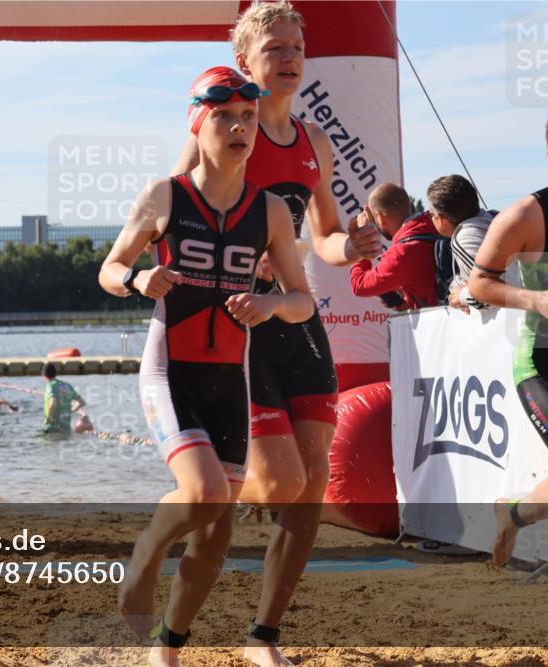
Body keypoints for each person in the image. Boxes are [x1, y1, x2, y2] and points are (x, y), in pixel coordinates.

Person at [168, 5, 382, 665]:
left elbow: (322, 235)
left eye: (297, 46)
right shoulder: (229, 127)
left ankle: (263, 637)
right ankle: (187, 510)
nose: (289, 58)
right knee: (280, 483)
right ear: (247, 61)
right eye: (274, 49)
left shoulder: (315, 140)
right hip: (235, 323)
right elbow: (175, 210)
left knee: (311, 487)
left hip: (297, 318)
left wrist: (356, 244)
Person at [101, 65, 314, 667]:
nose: (240, 127)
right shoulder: (165, 196)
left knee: (217, 532)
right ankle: (144, 556)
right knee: (204, 492)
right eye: (225, 116)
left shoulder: (269, 211)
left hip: (231, 381)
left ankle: (165, 648)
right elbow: (108, 269)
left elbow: (302, 302)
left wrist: (271, 303)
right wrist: (138, 277)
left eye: (249, 117)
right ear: (199, 121)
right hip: (171, 371)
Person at [469, 106, 548, 567]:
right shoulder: (526, 216)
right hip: (544, 363)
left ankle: (512, 513)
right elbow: (478, 283)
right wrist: (536, 300)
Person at [349, 183, 441, 310]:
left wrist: (363, 239)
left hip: (440, 326)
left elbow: (359, 285)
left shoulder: (402, 253)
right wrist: (409, 300)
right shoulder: (438, 226)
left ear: (380, 218)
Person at [427, 174, 495, 312]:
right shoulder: (493, 218)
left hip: (510, 324)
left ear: (441, 217)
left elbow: (491, 293)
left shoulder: (464, 238)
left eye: (431, 214)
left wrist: (461, 297)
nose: (430, 219)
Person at [41, 364, 88, 435]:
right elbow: (82, 402)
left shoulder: (50, 386)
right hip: (66, 428)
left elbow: (53, 403)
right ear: (55, 374)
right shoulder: (67, 386)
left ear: (43, 375)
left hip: (52, 428)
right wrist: (70, 410)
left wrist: (48, 418)